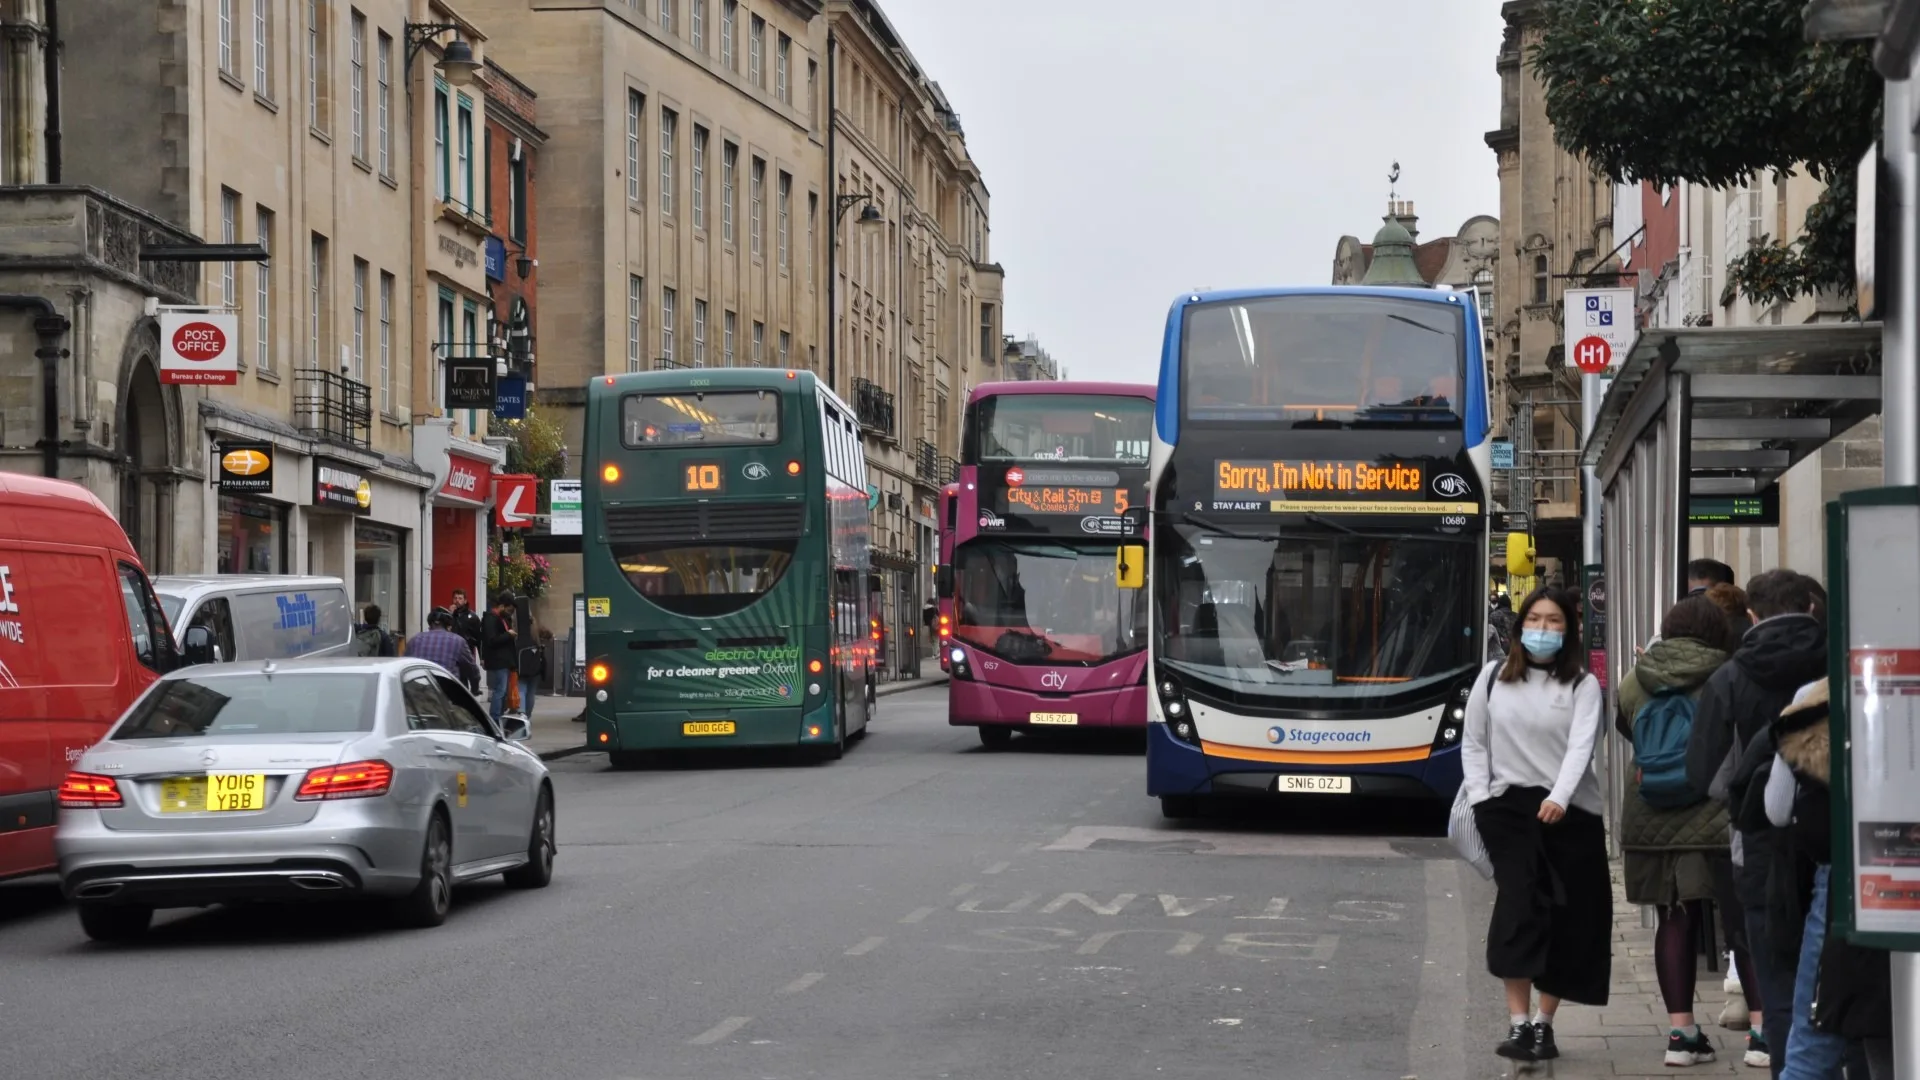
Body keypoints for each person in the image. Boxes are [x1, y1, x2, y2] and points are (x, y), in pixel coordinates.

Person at [1687, 569, 1829, 1079]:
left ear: (1751, 615)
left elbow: (1706, 773)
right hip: (1835, 847)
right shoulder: (1838, 663)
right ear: (1811, 607)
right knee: (1842, 985)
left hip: (1760, 847)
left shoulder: (1729, 677)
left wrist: (1746, 789)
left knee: (1777, 982)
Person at [1461, 585, 1610, 1064]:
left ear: (1569, 630)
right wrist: (1481, 799)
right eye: (1535, 619)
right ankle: (1518, 1023)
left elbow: (1581, 747)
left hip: (1571, 813)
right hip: (1507, 810)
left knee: (1569, 918)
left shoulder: (1581, 685)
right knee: (1519, 911)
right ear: (1520, 625)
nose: (1543, 629)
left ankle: (1545, 1023)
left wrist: (1560, 797)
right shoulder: (1492, 678)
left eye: (1554, 621)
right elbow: (1474, 742)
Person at [1616, 595, 1765, 1068]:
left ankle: (1682, 1036)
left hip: (1653, 813)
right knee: (1743, 923)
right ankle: (1762, 1035)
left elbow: (1628, 729)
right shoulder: (1730, 673)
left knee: (1674, 920)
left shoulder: (1635, 679)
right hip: (1718, 814)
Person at [407, 608, 479, 687]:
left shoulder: (415, 640)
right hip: (446, 689)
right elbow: (472, 670)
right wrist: (475, 688)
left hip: (418, 689)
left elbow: (404, 664)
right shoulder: (458, 641)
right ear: (449, 626)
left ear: (430, 625)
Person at [481, 591, 518, 722]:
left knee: (502, 691)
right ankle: (495, 717)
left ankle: (499, 715)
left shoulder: (502, 618)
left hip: (504, 660)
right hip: (498, 660)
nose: (509, 613)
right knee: (500, 690)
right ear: (501, 606)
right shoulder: (491, 619)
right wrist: (508, 635)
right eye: (508, 609)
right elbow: (491, 640)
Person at [516, 613, 549, 716]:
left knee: (521, 689)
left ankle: (521, 713)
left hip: (522, 666)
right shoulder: (537, 630)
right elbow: (549, 635)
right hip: (535, 667)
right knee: (531, 693)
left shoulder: (518, 632)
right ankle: (528, 716)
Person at [1488, 591, 1517, 663]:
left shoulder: (1493, 615)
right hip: (1515, 648)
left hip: (1499, 651)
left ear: (1499, 603)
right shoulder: (1517, 616)